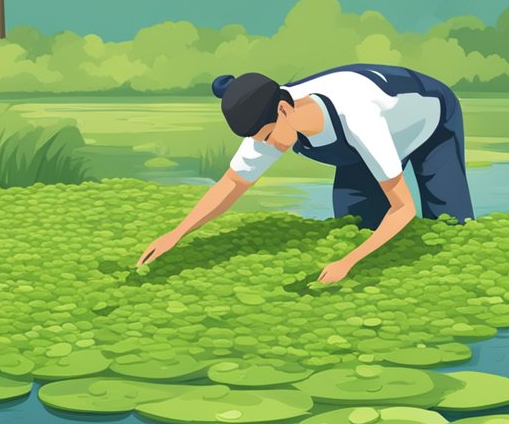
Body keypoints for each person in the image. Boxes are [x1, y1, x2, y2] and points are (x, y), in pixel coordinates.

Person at [136, 63, 475, 283]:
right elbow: (233, 183)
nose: (265, 146)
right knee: (354, 224)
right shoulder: (268, 114)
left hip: (431, 121)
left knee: (448, 228)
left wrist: (348, 262)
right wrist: (176, 234)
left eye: (267, 137)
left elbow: (404, 208)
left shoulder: (359, 115)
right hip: (358, 152)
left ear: (285, 109)